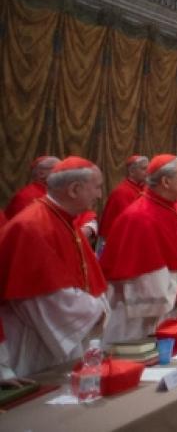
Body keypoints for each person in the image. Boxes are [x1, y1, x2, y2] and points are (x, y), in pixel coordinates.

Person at [0, 157, 107, 377]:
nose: (99, 195)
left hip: (63, 333)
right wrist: (98, 310)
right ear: (75, 189)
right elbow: (44, 295)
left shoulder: (64, 219)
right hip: (38, 338)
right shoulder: (31, 226)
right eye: (97, 187)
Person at [100, 155, 177, 342]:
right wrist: (176, 295)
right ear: (165, 181)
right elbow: (142, 272)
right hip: (146, 318)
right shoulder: (139, 217)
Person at [99, 155, 148, 240]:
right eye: (144, 169)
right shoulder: (121, 192)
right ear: (132, 171)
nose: (148, 172)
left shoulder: (147, 189)